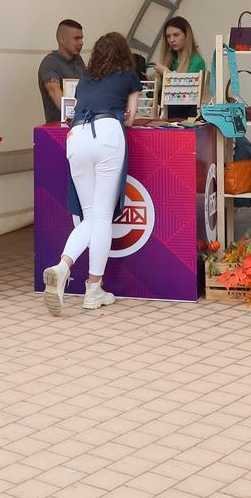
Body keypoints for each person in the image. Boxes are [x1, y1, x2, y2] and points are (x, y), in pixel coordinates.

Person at [46, 32, 145, 316]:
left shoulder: (85, 79)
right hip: (107, 134)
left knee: (90, 217)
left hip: (77, 137)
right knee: (101, 218)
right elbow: (132, 116)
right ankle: (93, 288)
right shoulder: (129, 75)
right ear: (123, 53)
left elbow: (77, 110)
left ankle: (63, 266)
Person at [152, 16, 208, 120]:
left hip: (187, 118)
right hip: (168, 117)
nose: (171, 40)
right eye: (168, 36)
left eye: (176, 35)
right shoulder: (169, 60)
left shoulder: (197, 61)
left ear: (187, 35)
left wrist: (167, 74)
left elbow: (187, 96)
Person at [38, 20, 86, 125]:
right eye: (76, 38)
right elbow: (54, 92)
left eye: (81, 38)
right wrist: (74, 116)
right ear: (62, 39)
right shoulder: (49, 63)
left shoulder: (78, 60)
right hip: (59, 127)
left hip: (80, 124)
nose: (81, 42)